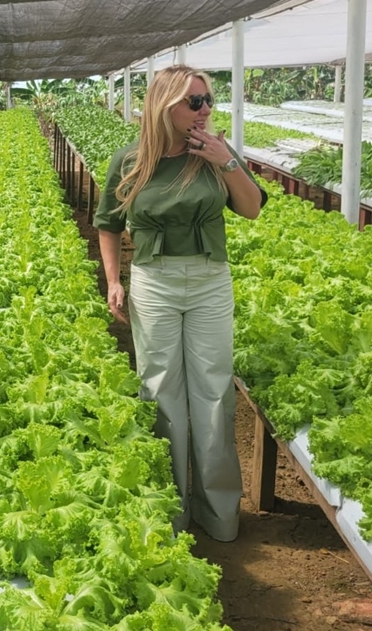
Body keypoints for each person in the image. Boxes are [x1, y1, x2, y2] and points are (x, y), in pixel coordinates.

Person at [95, 65, 267, 542]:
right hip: (154, 280)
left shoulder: (217, 152)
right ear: (164, 105)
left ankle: (219, 513)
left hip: (211, 279)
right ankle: (171, 510)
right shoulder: (129, 161)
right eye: (195, 102)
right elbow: (107, 225)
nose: (206, 109)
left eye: (208, 99)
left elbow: (251, 208)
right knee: (160, 391)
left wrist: (224, 160)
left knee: (213, 392)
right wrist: (113, 281)